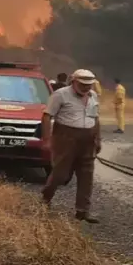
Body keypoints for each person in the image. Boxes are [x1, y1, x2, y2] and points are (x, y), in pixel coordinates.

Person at [40, 68, 101, 224]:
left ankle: (82, 211)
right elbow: (47, 116)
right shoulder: (60, 95)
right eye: (82, 84)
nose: (86, 87)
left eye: (89, 85)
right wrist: (47, 139)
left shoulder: (93, 96)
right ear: (73, 81)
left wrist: (98, 139)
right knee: (61, 174)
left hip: (88, 140)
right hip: (65, 138)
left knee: (86, 175)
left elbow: (95, 118)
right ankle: (45, 198)